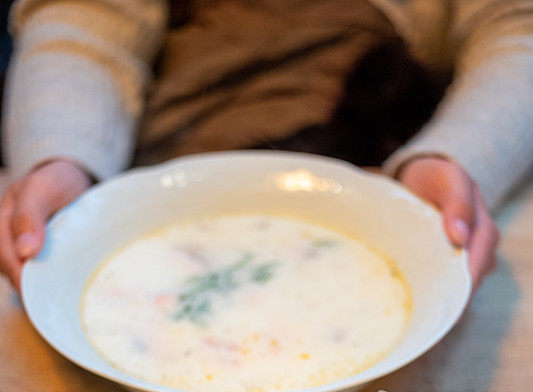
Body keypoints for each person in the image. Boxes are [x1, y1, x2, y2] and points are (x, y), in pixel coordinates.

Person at [1, 0, 532, 293]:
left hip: (387, 151)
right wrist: (61, 155)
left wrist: (456, 154)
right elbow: (84, 18)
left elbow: (517, 27)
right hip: (147, 159)